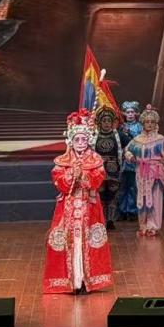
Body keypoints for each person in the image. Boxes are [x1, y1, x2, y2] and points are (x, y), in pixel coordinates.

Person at [43, 109, 113, 294]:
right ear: (71, 141)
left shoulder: (95, 159)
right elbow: (58, 181)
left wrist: (83, 176)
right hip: (68, 206)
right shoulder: (63, 161)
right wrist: (70, 175)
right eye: (77, 140)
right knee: (67, 240)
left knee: (87, 240)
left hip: (89, 207)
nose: (81, 143)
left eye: (84, 139)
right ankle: (71, 280)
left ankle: (85, 280)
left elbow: (98, 178)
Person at [124, 104, 164, 237]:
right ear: (143, 123)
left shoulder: (160, 139)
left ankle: (153, 226)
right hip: (141, 172)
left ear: (156, 123)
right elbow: (127, 150)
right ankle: (143, 225)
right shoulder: (137, 140)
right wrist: (130, 157)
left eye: (152, 122)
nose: (149, 124)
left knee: (155, 198)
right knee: (142, 197)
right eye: (147, 122)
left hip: (156, 172)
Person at [91, 106, 123, 230]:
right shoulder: (94, 136)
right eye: (104, 121)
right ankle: (101, 219)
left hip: (113, 170)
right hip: (98, 170)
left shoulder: (118, 135)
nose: (106, 123)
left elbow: (131, 144)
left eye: (109, 121)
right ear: (99, 122)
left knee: (112, 195)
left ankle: (110, 220)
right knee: (100, 194)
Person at [115, 101, 144, 220]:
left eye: (132, 112)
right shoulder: (120, 127)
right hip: (123, 161)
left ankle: (132, 210)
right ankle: (122, 210)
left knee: (133, 187)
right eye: (128, 112)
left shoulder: (140, 127)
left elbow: (141, 142)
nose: (130, 114)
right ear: (124, 113)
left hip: (134, 160)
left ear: (136, 113)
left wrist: (130, 135)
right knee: (122, 187)